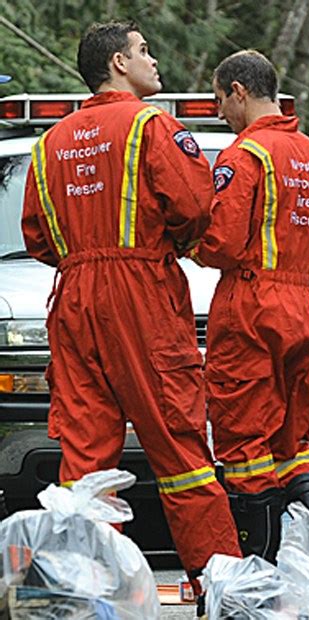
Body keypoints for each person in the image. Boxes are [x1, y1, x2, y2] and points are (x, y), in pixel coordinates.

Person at [22, 21, 241, 592]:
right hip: (140, 292)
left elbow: (37, 239)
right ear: (119, 63)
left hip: (73, 299)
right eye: (143, 50)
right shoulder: (150, 124)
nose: (153, 59)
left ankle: (82, 588)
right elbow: (194, 205)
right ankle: (217, 581)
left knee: (85, 451)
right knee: (178, 439)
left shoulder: (49, 143)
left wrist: (85, 258)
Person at [190, 50, 309, 563]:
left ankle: (259, 566)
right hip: (303, 301)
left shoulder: (245, 156)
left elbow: (223, 244)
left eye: (218, 99)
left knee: (242, 442)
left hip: (251, 306)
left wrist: (187, 242)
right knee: (293, 439)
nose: (218, 112)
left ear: (239, 90)